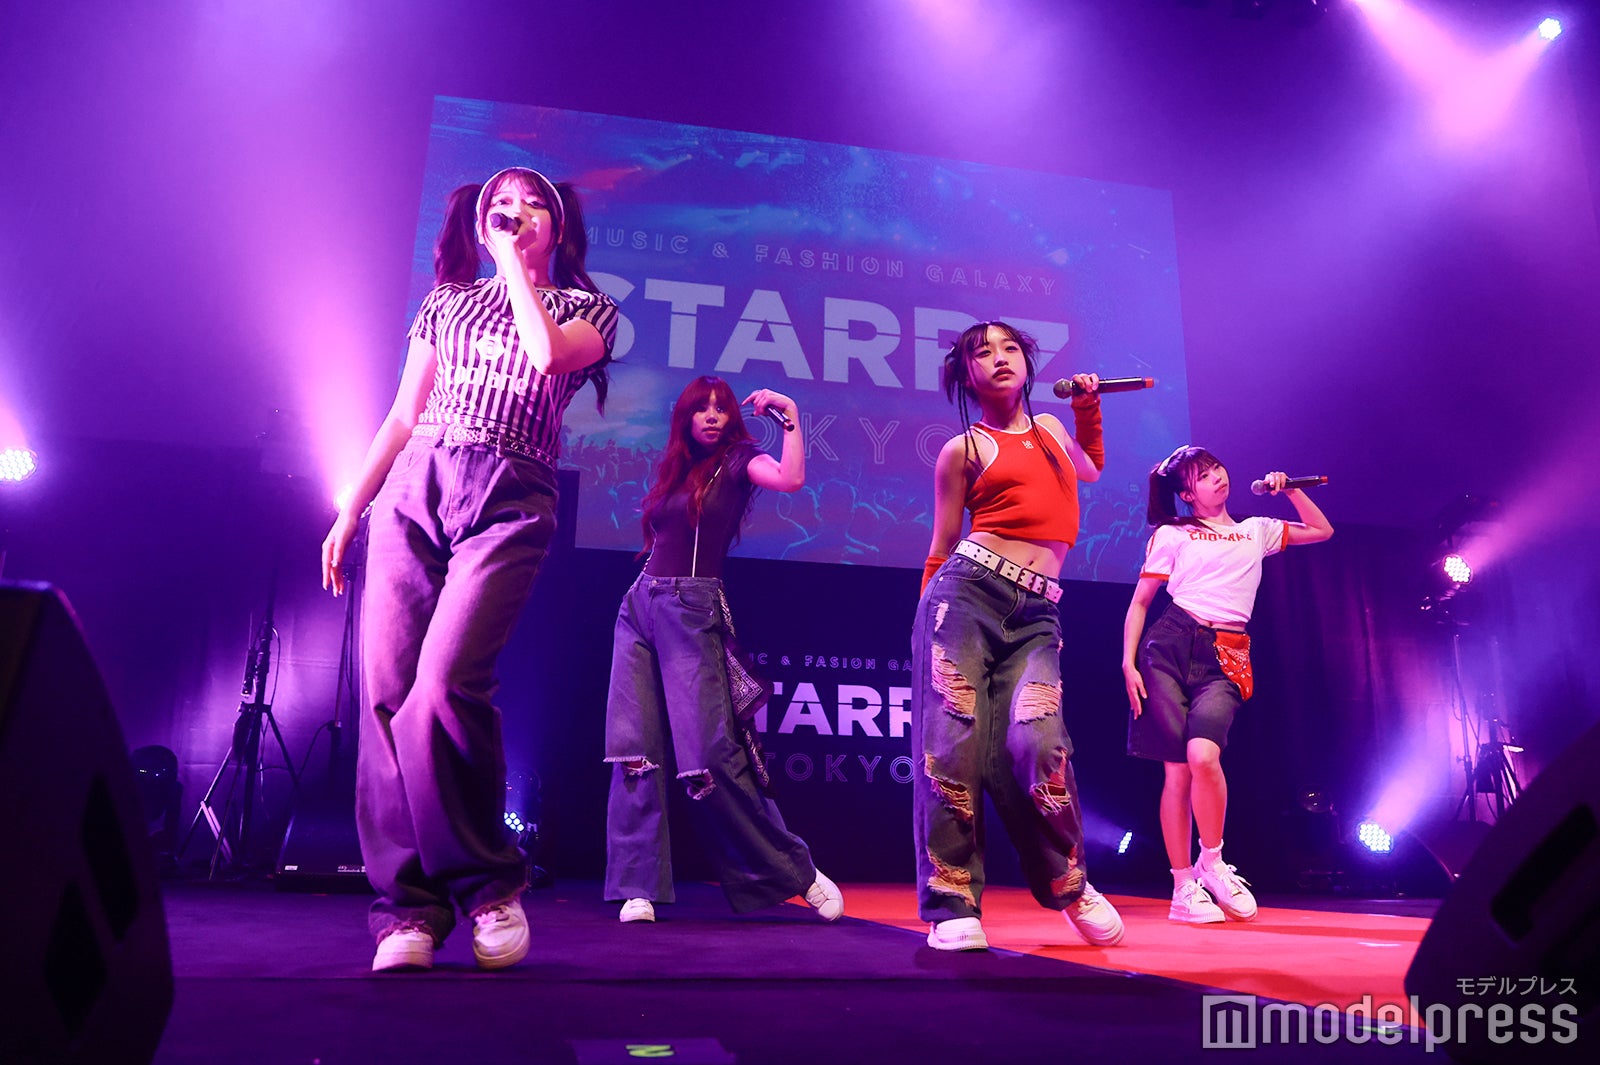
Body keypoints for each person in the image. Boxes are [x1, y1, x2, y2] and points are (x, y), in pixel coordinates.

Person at [320, 167, 619, 972]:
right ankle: (407, 911)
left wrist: (517, 267)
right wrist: (352, 509)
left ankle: (488, 887)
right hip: (416, 482)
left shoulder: (588, 310)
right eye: (500, 204)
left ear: (557, 226)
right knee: (386, 692)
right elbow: (403, 413)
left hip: (511, 490)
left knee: (446, 683)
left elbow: (547, 356)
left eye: (532, 204)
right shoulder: (445, 301)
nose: (513, 212)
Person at [913, 320, 1125, 951]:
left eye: (1010, 348)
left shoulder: (1052, 428)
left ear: (1029, 364)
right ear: (965, 375)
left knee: (1040, 743)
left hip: (1038, 612)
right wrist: (924, 623)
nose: (999, 358)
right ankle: (951, 902)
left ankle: (1068, 883)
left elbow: (1090, 469)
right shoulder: (963, 449)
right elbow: (942, 544)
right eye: (983, 352)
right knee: (951, 748)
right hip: (966, 596)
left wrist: (1087, 408)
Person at [603, 375, 844, 925]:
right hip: (638, 607)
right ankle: (638, 885)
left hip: (691, 608)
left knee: (708, 757)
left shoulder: (738, 460)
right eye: (701, 408)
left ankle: (796, 871)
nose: (711, 416)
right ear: (685, 418)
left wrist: (789, 416)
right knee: (634, 753)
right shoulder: (675, 471)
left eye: (720, 408)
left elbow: (790, 479)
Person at [1120, 447, 1333, 924]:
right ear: (1186, 493)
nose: (1217, 477)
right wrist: (1128, 663)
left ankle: (1211, 862)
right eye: (1202, 476)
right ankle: (1182, 886)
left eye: (1216, 468)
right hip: (1169, 647)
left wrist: (1291, 490)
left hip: (1227, 654)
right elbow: (1141, 602)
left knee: (1204, 756)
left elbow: (1322, 530)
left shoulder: (1257, 529)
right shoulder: (1173, 533)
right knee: (1177, 772)